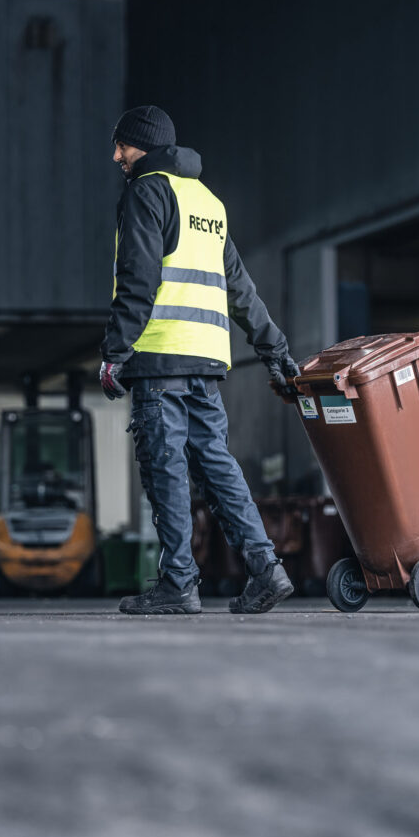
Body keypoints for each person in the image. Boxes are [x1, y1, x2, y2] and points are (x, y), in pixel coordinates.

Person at [99, 105, 300, 615]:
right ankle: (266, 570)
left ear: (140, 144)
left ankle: (178, 585)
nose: (116, 155)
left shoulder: (146, 192)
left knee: (163, 466)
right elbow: (239, 287)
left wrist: (114, 353)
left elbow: (139, 282)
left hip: (161, 355)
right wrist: (274, 348)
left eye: (121, 145)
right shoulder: (207, 202)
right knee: (217, 465)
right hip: (207, 362)